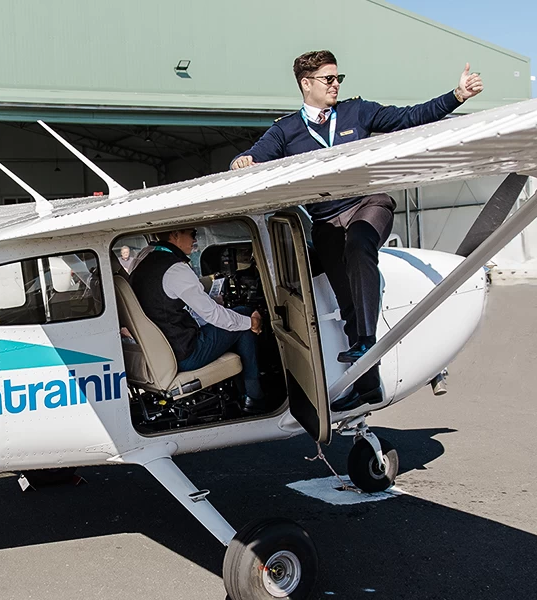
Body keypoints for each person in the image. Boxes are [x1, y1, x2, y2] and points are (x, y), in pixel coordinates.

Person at [230, 50, 482, 412]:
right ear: (306, 84)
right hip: (327, 224)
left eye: (338, 79)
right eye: (328, 79)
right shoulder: (285, 130)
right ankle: (368, 387)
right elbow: (254, 156)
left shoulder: (357, 111)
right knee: (348, 305)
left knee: (361, 244)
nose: (336, 85)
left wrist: (455, 96)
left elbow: (409, 118)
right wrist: (243, 161)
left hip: (369, 205)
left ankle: (366, 341)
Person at [129, 228, 266, 412]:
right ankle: (255, 397)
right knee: (243, 315)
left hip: (165, 347)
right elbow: (212, 315)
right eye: (192, 233)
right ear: (175, 234)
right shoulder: (175, 269)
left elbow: (167, 307)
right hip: (186, 353)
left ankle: (246, 394)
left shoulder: (143, 260)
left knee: (234, 319)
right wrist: (252, 322)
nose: (195, 238)